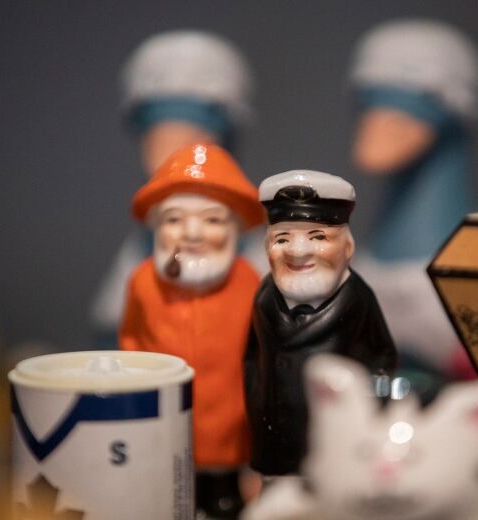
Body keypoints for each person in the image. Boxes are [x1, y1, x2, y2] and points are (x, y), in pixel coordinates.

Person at [120, 142, 264, 518]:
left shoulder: (250, 283)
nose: (193, 233)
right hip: (160, 430)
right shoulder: (142, 283)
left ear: (234, 227)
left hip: (229, 434)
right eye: (174, 219)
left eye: (214, 219)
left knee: (223, 503)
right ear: (156, 226)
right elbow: (131, 341)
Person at [91, 30, 253, 346]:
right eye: (158, 127)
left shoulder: (250, 273)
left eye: (192, 127)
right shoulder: (139, 272)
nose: (171, 148)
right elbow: (115, 333)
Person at [349, 19, 478, 375]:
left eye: (418, 101)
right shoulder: (361, 265)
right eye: (373, 100)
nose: (387, 120)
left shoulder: (463, 285)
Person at [245, 170, 397, 476]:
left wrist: (365, 415)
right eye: (282, 238)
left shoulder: (359, 300)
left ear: (348, 247)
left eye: (318, 237)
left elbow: (382, 361)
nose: (297, 251)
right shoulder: (263, 296)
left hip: (334, 447)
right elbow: (250, 357)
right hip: (275, 445)